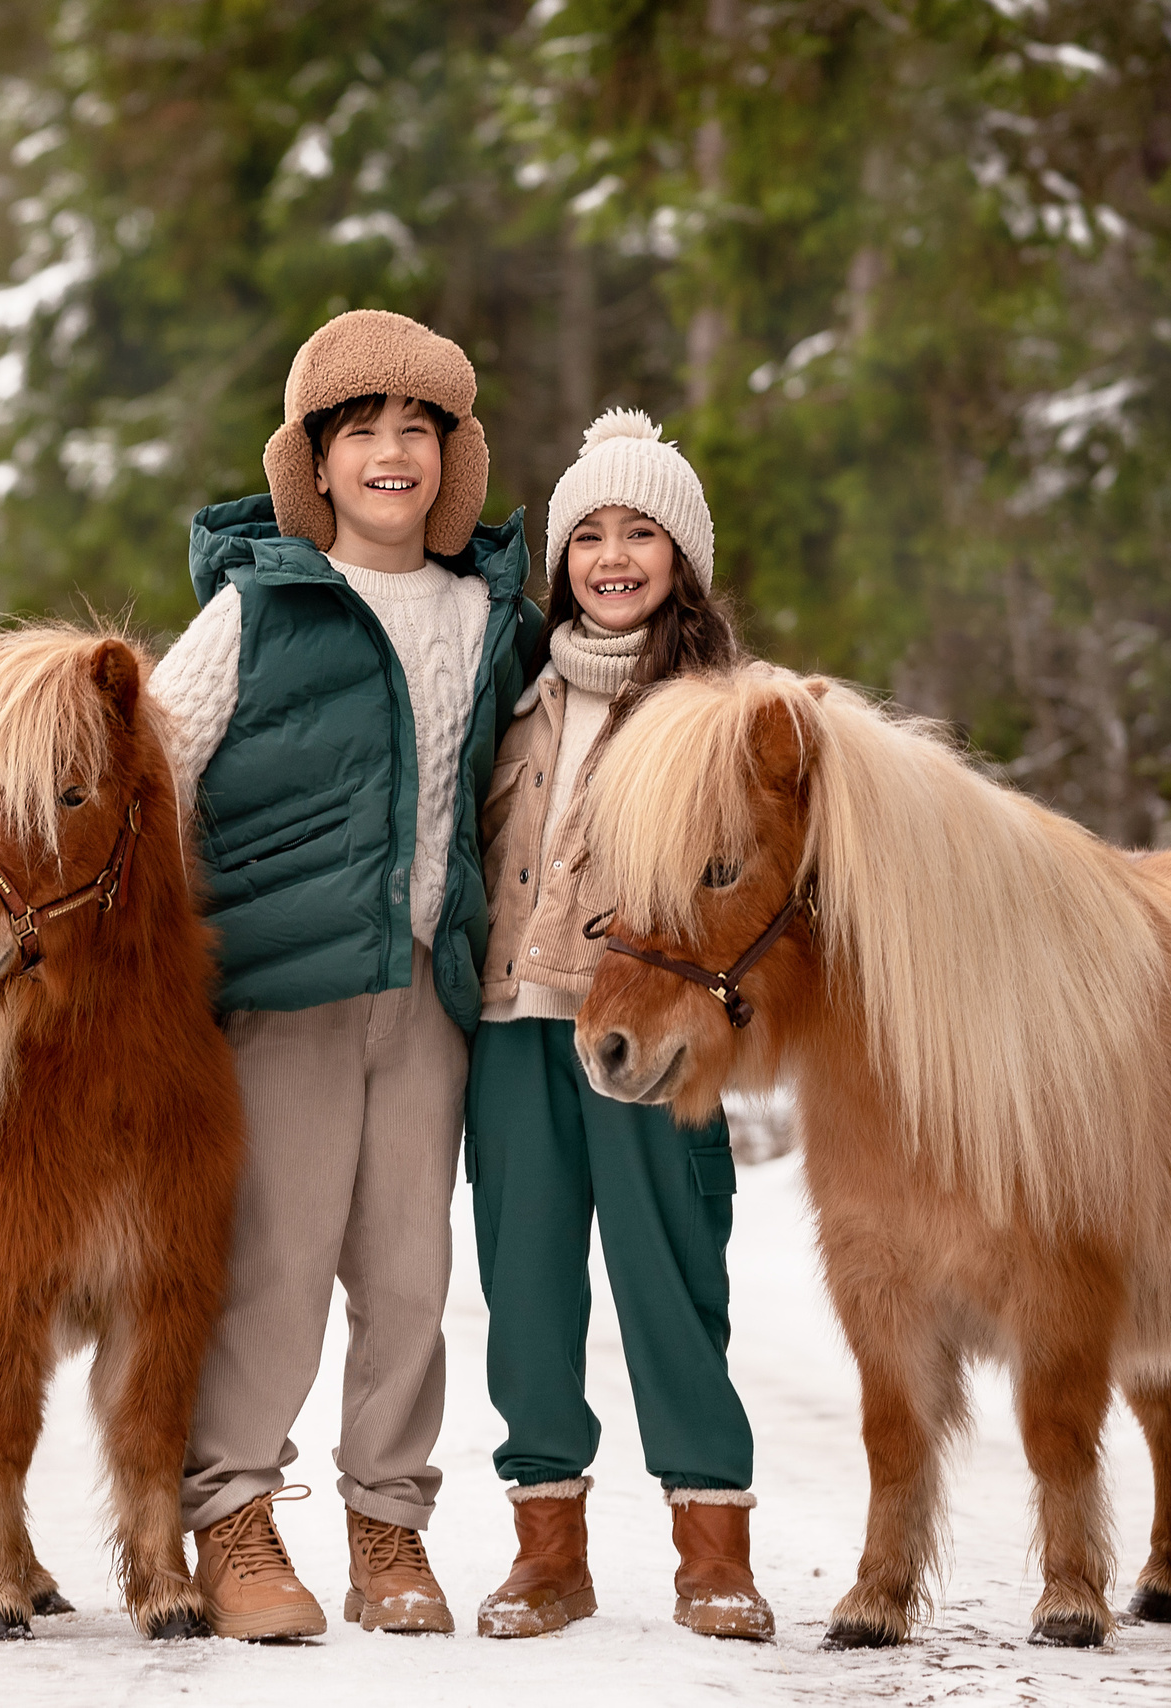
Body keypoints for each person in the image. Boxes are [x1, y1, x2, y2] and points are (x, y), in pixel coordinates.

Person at [148, 308, 541, 1640]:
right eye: (360, 429)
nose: (391, 450)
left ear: (455, 458)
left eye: (418, 429)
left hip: (428, 998)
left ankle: (390, 1522)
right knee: (275, 1257)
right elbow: (148, 770)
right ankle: (234, 1516)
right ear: (309, 461)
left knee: (410, 1273)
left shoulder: (492, 614)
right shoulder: (257, 610)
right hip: (282, 999)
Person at [462, 408, 771, 1641]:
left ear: (680, 558)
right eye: (587, 533)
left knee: (670, 1273)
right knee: (524, 1285)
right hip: (509, 1023)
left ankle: (713, 1553)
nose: (610, 555)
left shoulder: (716, 713)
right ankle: (548, 1554)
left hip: (652, 1031)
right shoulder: (517, 691)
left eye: (639, 530)